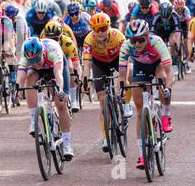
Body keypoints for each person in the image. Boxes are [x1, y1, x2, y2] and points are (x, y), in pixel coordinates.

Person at [119, 19, 173, 169]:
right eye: (133, 41)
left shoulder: (157, 42)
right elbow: (122, 74)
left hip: (157, 65)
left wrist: (167, 88)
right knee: (139, 109)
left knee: (162, 80)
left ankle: (166, 114)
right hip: (140, 67)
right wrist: (122, 90)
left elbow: (169, 71)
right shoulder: (126, 46)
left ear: (147, 35)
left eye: (141, 40)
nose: (137, 44)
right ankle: (142, 154)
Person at [82, 13, 132, 153]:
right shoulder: (89, 39)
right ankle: (106, 137)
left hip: (118, 60)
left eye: (103, 28)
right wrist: (85, 81)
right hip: (100, 64)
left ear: (109, 26)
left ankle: (126, 105)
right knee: (103, 100)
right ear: (92, 29)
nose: (100, 32)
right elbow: (86, 64)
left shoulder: (118, 36)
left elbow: (125, 62)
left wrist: (121, 81)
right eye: (97, 29)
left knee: (128, 76)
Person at [22, 37, 74, 160]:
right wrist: (16, 88)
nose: (35, 63)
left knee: (61, 104)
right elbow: (21, 74)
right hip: (39, 72)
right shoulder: (26, 55)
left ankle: (67, 144)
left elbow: (58, 73)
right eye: (32, 61)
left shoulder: (53, 50)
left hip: (55, 67)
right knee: (29, 80)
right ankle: (33, 121)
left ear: (42, 53)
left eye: (37, 59)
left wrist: (61, 90)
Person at [42, 21, 81, 112]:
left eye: (55, 39)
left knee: (70, 67)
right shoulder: (42, 39)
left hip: (64, 57)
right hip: (51, 57)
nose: (52, 41)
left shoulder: (68, 42)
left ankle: (74, 100)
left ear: (61, 36)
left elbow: (76, 63)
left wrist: (78, 76)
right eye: (49, 38)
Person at [150, 2, 181, 76]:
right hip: (161, 32)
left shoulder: (174, 15)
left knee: (172, 42)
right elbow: (152, 32)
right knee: (158, 45)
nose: (165, 19)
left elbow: (177, 32)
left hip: (171, 32)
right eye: (163, 18)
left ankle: (174, 62)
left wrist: (178, 47)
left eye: (167, 18)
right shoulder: (156, 16)